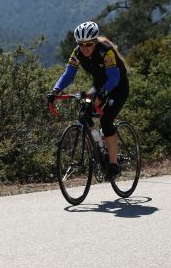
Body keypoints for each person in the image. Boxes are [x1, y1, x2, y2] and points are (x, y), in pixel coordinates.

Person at [44, 21, 130, 181]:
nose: (84, 47)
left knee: (106, 120)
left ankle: (113, 165)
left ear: (95, 41)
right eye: (81, 44)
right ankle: (98, 149)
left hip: (117, 87)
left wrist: (103, 93)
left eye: (88, 44)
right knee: (84, 113)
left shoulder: (106, 51)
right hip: (99, 86)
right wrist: (55, 90)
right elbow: (68, 75)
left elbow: (114, 76)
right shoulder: (77, 53)